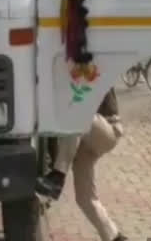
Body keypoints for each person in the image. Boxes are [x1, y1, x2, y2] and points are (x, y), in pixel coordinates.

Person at [35, 89, 128, 241]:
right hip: (85, 139)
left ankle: (57, 177)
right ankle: (114, 236)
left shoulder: (88, 67)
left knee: (78, 113)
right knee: (85, 198)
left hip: (106, 128)